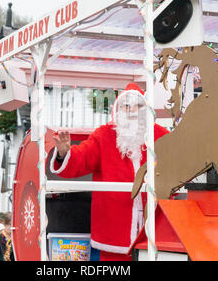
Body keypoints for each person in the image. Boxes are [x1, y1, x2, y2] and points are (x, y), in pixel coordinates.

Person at [50, 82, 169, 261]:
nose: (132, 111)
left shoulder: (161, 136)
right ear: (118, 110)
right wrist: (63, 153)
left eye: (137, 105)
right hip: (114, 228)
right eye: (126, 106)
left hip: (154, 226)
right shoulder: (104, 136)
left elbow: (177, 166)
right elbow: (82, 158)